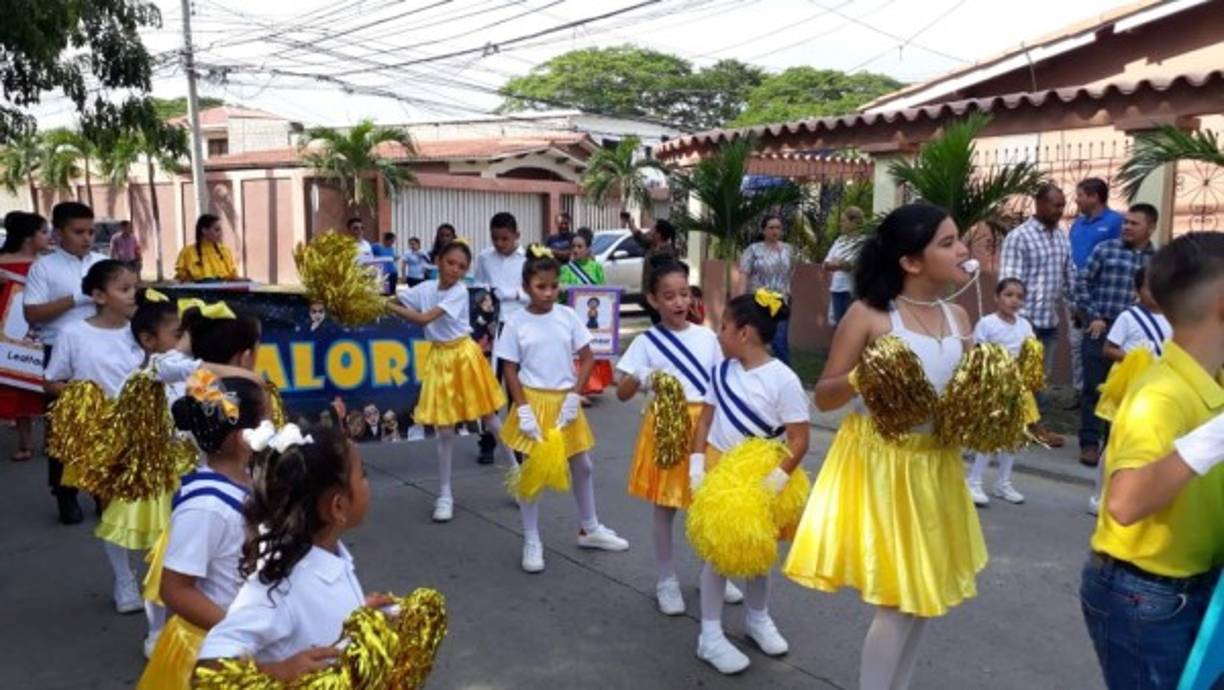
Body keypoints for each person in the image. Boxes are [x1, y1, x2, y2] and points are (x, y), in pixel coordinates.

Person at [784, 204, 985, 690]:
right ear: (910, 262)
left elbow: (955, 395)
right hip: (882, 467)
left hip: (935, 465)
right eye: (947, 242)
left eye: (959, 240)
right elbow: (826, 396)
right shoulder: (870, 315)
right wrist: (864, 374)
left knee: (922, 600)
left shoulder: (958, 314)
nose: (962, 250)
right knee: (897, 601)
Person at [1079, 232, 1224, 689]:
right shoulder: (1161, 393)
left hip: (1195, 587)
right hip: (1148, 598)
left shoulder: (1210, 382)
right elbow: (1123, 503)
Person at [195, 426, 381, 682]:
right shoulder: (277, 588)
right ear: (338, 507)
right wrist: (276, 673)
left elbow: (318, 612)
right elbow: (208, 670)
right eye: (363, 475)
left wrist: (360, 613)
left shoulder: (332, 556)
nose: (367, 483)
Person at [687, 290, 810, 674]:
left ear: (744, 333)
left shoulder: (784, 379)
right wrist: (695, 464)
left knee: (759, 554)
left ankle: (757, 618)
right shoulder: (720, 371)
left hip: (763, 477)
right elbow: (705, 419)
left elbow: (799, 439)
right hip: (721, 472)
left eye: (723, 326)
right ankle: (709, 634)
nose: (718, 333)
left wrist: (774, 481)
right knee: (718, 556)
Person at [615, 260, 745, 616]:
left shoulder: (706, 337)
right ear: (653, 300)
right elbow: (622, 392)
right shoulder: (646, 342)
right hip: (666, 429)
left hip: (706, 424)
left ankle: (712, 572)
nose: (678, 302)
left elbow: (724, 380)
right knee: (666, 505)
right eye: (669, 296)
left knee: (708, 502)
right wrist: (642, 376)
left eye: (684, 294)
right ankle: (666, 579)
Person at [43, 262, 159, 648]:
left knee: (147, 504)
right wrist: (83, 402)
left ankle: (155, 574)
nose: (133, 295)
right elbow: (53, 379)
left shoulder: (139, 334)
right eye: (125, 289)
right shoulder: (73, 334)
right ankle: (124, 581)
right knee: (112, 508)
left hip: (141, 430)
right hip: (98, 434)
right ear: (98, 296)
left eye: (134, 288)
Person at [495, 246, 629, 573]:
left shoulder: (567, 316)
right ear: (527, 287)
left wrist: (574, 394)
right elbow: (509, 368)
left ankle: (590, 527)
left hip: (564, 401)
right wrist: (522, 409)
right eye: (541, 286)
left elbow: (587, 357)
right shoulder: (515, 322)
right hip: (534, 401)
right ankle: (531, 539)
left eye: (554, 285)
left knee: (582, 465)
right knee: (533, 475)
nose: (549, 292)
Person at [136, 376, 265, 689]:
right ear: (242, 437)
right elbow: (176, 589)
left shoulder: (249, 480)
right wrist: (236, 631)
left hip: (249, 634)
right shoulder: (206, 508)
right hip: (215, 650)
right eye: (264, 422)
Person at [387, 239, 514, 523]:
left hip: (464, 356)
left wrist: (388, 305)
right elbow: (398, 298)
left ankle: (516, 475)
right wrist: (382, 299)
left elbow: (423, 319)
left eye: (461, 266)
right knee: (444, 431)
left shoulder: (457, 292)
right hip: (440, 360)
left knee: (491, 419)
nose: (455, 270)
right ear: (438, 261)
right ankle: (445, 494)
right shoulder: (424, 289)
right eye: (450, 263)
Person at [24, 201, 107, 524]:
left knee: (103, 425)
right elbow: (31, 313)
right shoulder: (44, 267)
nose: (86, 238)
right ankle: (65, 495)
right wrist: (76, 298)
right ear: (58, 233)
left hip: (100, 352)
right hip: (60, 354)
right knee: (63, 431)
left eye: (91, 231)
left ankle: (103, 491)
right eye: (78, 232)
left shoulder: (103, 262)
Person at [1074, 203, 1158, 467]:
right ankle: (1089, 443)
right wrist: (1094, 315)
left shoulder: (1158, 262)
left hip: (1136, 335)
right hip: (1101, 328)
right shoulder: (1105, 249)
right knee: (1094, 388)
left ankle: (1114, 444)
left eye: (1134, 223)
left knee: (1128, 392)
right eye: (1126, 222)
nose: (1127, 227)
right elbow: (1081, 283)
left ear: (1151, 227)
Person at [1086, 266, 1172, 516]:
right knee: (1114, 440)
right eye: (1149, 286)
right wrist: (1135, 358)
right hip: (1129, 388)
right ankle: (1099, 494)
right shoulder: (1128, 317)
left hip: (1156, 390)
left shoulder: (1172, 318)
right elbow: (1108, 349)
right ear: (1137, 290)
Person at [999, 184, 1074, 448]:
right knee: (1016, 378)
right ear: (1039, 203)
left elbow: (1069, 274)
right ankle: (1008, 427)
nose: (1060, 210)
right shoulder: (1020, 237)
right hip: (1024, 323)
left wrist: (1075, 305)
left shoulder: (1062, 235)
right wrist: (1013, 322)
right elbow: (1010, 284)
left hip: (1049, 322)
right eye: (1056, 205)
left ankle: (1033, 427)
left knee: (1040, 380)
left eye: (1063, 205)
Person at [966, 278, 1035, 506]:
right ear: (997, 297)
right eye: (1009, 295)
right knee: (990, 435)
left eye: (1019, 296)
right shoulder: (986, 324)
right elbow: (977, 354)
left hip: (1016, 387)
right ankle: (974, 481)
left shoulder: (1025, 326)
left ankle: (1003, 483)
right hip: (994, 385)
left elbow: (1030, 353)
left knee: (1013, 437)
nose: (1014, 300)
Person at [473, 212, 527, 465]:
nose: (500, 244)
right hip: (492, 327)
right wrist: (489, 297)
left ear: (516, 235)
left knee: (516, 385)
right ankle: (487, 440)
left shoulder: (528, 259)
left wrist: (513, 294)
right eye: (495, 239)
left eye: (505, 238)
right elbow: (479, 290)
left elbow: (535, 291)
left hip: (520, 327)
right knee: (489, 384)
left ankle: (519, 442)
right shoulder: (485, 257)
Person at [0, 211, 50, 462]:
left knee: (50, 385)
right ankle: (25, 443)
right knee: (18, 385)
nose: (47, 236)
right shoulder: (2, 262)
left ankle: (54, 441)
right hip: (10, 333)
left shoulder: (49, 263)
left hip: (47, 330)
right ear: (29, 237)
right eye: (43, 231)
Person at [1068, 178, 1125, 398]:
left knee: (1101, 345)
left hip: (1102, 295)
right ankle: (1080, 391)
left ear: (1095, 197)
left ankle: (1103, 392)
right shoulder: (1077, 224)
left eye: (1081, 195)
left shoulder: (1116, 222)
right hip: (1077, 292)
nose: (1077, 199)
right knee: (1076, 343)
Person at [560, 227, 613, 397]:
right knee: (574, 354)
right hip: (572, 318)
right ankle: (578, 388)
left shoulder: (596, 268)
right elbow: (560, 296)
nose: (575, 250)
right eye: (573, 246)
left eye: (580, 246)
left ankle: (591, 384)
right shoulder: (565, 270)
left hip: (591, 319)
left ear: (588, 249)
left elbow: (603, 294)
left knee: (590, 351)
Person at [738, 214, 796, 365]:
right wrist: (739, 302)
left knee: (780, 341)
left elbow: (790, 272)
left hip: (780, 302)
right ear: (763, 230)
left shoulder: (788, 250)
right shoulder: (753, 250)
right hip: (759, 302)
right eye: (771, 228)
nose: (775, 231)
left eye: (778, 228)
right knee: (758, 339)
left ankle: (786, 377)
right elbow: (744, 275)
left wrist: (787, 292)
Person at [824, 206, 865, 325]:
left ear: (854, 222)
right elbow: (826, 264)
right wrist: (841, 264)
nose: (840, 224)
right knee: (838, 324)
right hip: (836, 288)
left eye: (843, 221)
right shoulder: (840, 241)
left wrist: (840, 264)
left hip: (852, 289)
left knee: (851, 325)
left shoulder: (862, 242)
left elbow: (854, 264)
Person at [631, 219, 678, 324]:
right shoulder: (654, 247)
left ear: (659, 235)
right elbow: (641, 238)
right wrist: (631, 225)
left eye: (653, 230)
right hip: (651, 296)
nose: (650, 232)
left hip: (658, 298)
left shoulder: (666, 254)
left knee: (661, 324)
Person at [174, 214, 238, 282]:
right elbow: (181, 279)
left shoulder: (225, 251)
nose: (221, 233)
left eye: (221, 230)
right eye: (217, 230)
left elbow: (233, 276)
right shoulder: (188, 252)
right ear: (204, 230)